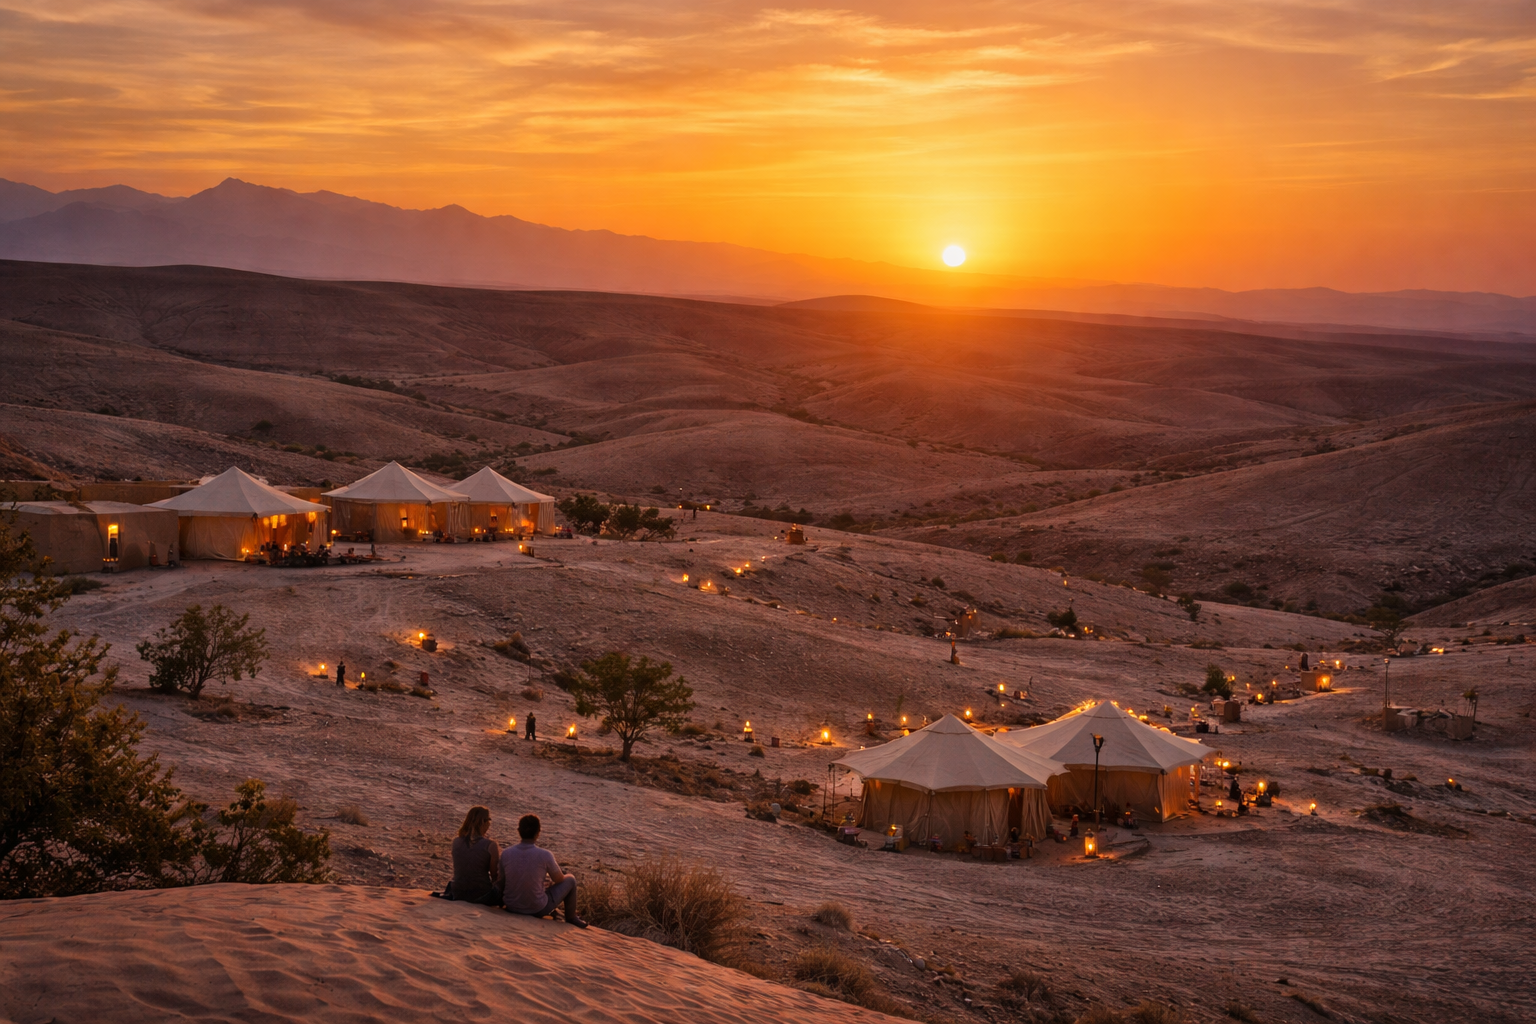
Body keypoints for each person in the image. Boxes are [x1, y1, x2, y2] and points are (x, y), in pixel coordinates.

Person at [500, 814, 587, 927]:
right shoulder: (545, 855)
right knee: (570, 879)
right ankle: (571, 917)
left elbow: (502, 880)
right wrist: (549, 883)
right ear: (538, 833)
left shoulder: (506, 853)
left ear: (518, 831)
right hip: (537, 909)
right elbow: (559, 879)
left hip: (511, 906)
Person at [447, 806, 503, 905]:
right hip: (481, 895)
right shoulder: (490, 845)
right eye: (489, 820)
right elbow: (494, 876)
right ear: (483, 822)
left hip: (457, 892)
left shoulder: (456, 842)